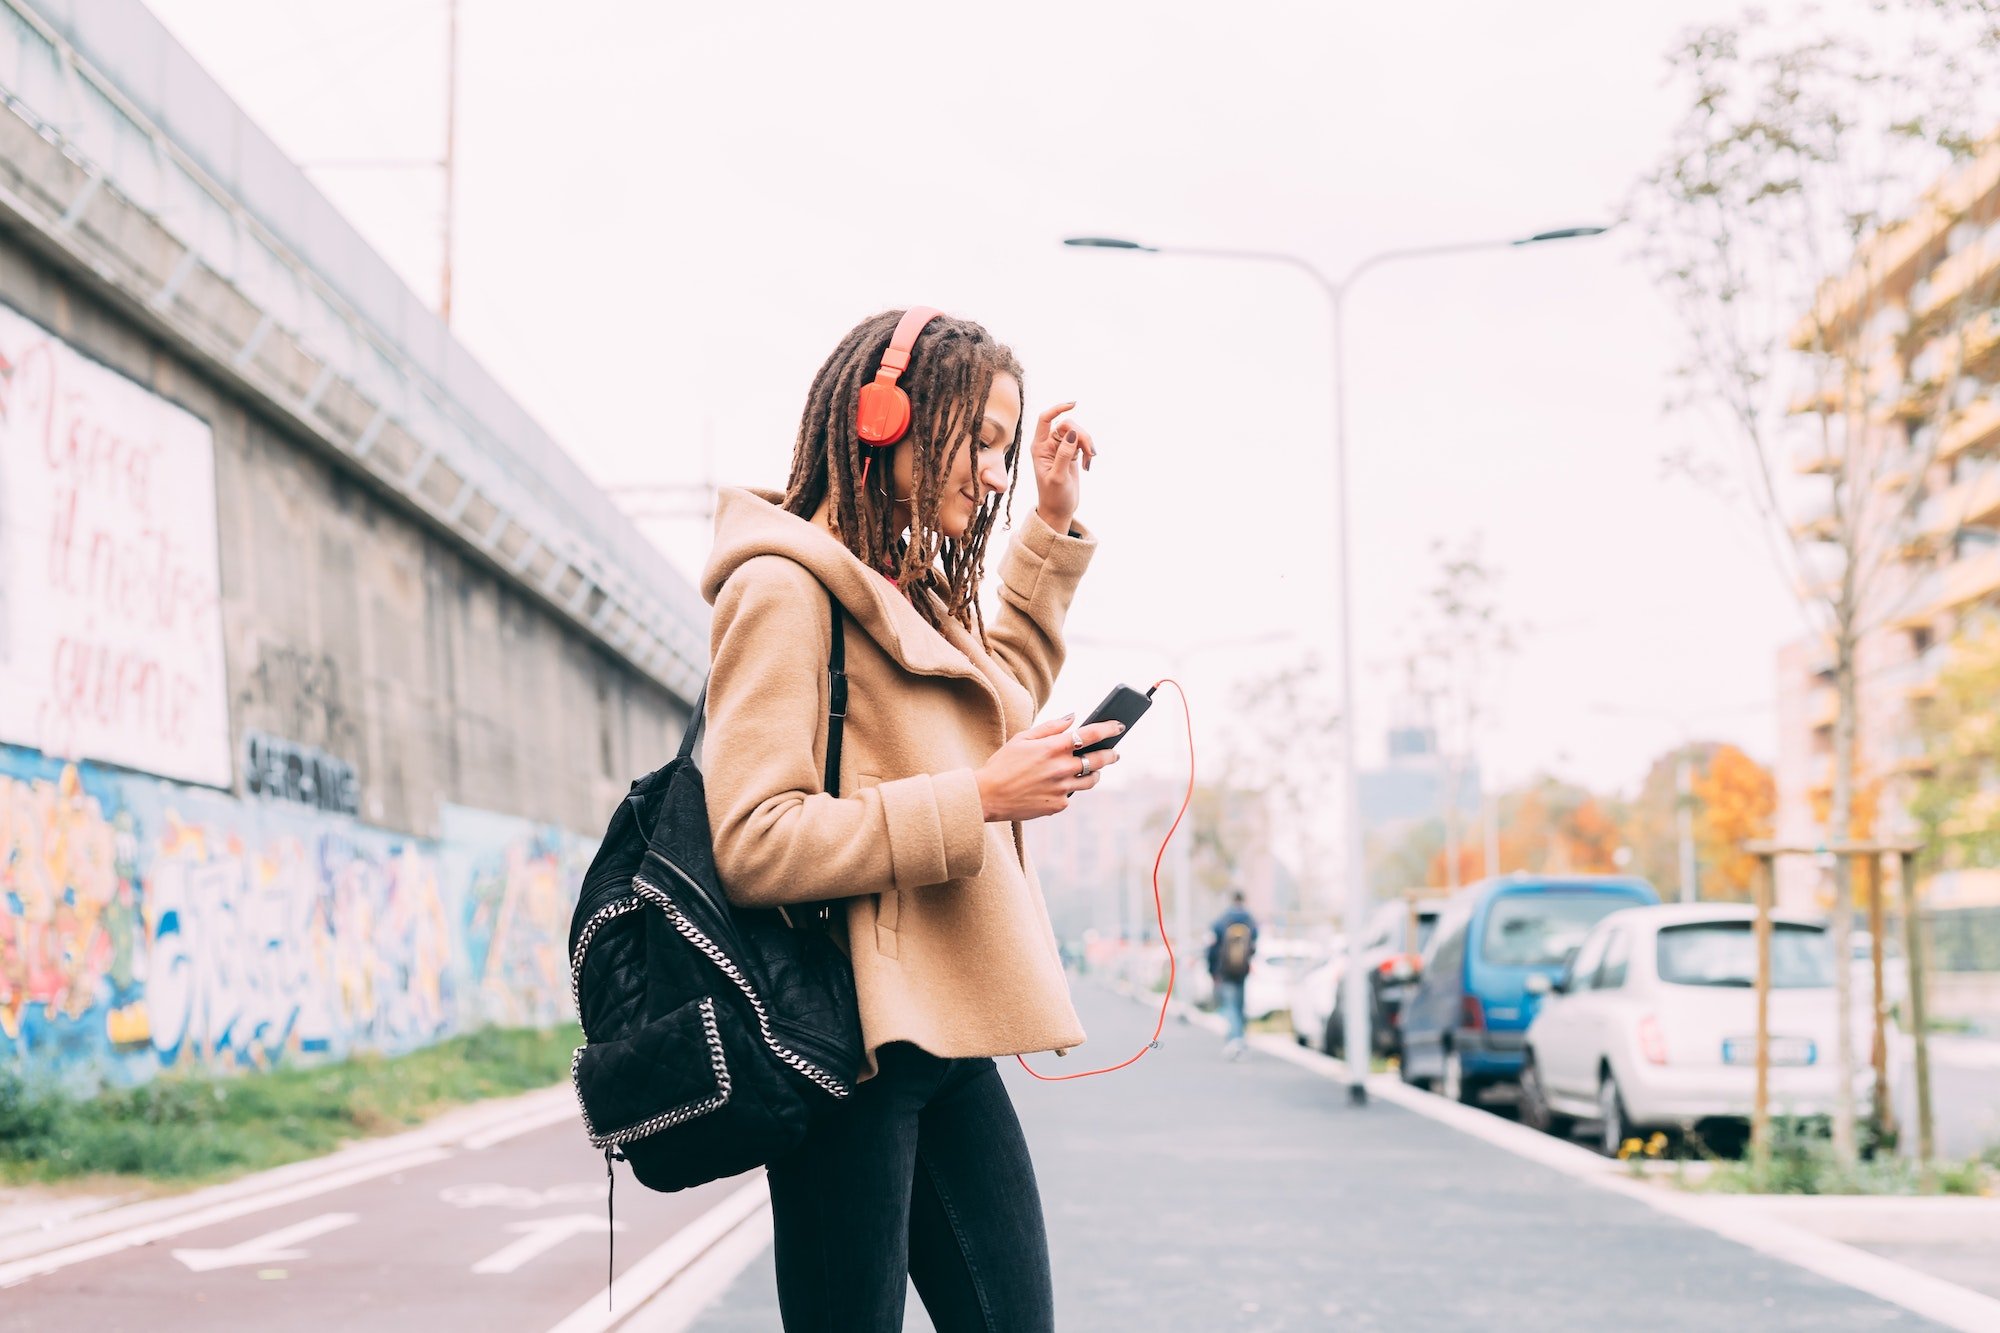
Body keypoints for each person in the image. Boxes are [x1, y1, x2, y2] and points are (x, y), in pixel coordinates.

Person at [700, 307, 1116, 1333]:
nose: (990, 472)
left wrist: (1049, 525)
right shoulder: (781, 590)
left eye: (1003, 449)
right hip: (846, 1051)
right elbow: (754, 839)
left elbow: (992, 691)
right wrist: (977, 799)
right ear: (882, 416)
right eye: (977, 439)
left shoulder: (915, 592)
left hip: (947, 1043)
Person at [1207, 891, 1259, 1059]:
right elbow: (1254, 944)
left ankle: (1235, 1040)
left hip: (1226, 970)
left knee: (1230, 1006)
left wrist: (1212, 971)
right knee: (1240, 1005)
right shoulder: (1250, 919)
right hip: (1242, 970)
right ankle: (1240, 1040)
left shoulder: (1222, 919)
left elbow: (1212, 947)